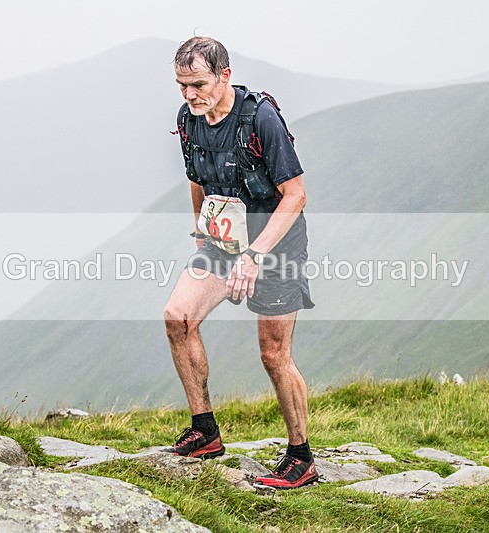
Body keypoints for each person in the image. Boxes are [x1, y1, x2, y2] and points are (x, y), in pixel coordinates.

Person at [163, 36, 317, 490]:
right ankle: (205, 431)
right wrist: (202, 233)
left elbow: (297, 195)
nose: (190, 95)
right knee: (177, 318)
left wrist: (255, 255)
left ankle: (300, 457)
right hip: (222, 240)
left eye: (198, 84)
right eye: (181, 85)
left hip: (276, 243)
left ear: (224, 76)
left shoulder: (260, 118)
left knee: (274, 355)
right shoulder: (187, 120)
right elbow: (196, 179)